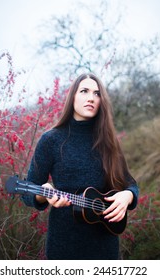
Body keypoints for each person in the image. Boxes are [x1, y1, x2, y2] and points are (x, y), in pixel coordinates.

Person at [21, 73, 139, 260]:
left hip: (106, 246)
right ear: (73, 97)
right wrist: (43, 193)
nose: (91, 98)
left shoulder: (109, 142)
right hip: (64, 246)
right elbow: (27, 191)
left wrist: (128, 195)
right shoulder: (51, 140)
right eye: (84, 91)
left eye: (97, 93)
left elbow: (130, 184)